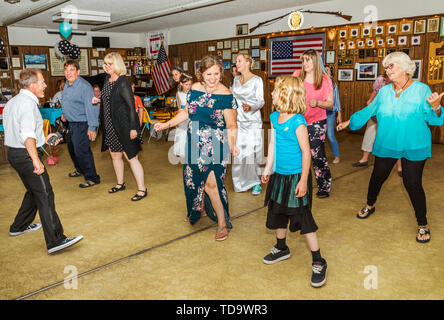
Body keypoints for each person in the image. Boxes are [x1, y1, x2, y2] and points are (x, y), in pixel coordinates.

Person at [337, 52, 443, 243]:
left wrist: (436, 107)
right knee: (377, 177)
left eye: (391, 66)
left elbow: (434, 119)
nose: (387, 70)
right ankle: (370, 205)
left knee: (412, 183)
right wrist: (349, 121)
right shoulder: (384, 91)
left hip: (414, 144)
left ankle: (422, 224)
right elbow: (370, 110)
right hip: (388, 143)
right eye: (386, 67)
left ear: (404, 67)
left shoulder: (421, 90)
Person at [154, 55, 239, 241]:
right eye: (209, 73)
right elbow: (186, 112)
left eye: (216, 73)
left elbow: (232, 125)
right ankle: (197, 209)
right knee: (193, 179)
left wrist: (232, 146)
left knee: (211, 184)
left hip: (216, 144)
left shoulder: (225, 95)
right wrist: (166, 124)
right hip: (194, 142)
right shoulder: (194, 89)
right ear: (201, 73)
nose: (213, 77)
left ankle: (222, 222)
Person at [3, 69, 83, 254]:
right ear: (32, 86)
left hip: (15, 154)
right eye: (42, 82)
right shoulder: (28, 105)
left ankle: (19, 226)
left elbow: (19, 131)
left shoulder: (14, 102)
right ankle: (55, 240)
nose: (45, 85)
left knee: (34, 191)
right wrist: (35, 161)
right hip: (26, 155)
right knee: (45, 193)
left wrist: (44, 139)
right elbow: (27, 136)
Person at [261, 75, 327, 288]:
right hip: (279, 175)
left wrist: (303, 180)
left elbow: (307, 153)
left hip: (297, 176)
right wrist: (268, 167)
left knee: (303, 217)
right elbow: (272, 145)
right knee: (277, 211)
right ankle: (281, 247)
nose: (271, 93)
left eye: (275, 90)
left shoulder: (298, 121)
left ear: (287, 94)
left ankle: (318, 260)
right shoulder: (274, 116)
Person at [100, 52, 147, 201]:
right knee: (115, 155)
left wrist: (134, 128)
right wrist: (98, 100)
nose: (107, 67)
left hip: (125, 126)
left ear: (118, 64)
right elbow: (109, 101)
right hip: (110, 125)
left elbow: (131, 107)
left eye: (110, 64)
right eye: (106, 64)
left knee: (131, 157)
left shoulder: (123, 82)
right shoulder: (107, 80)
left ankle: (142, 189)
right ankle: (120, 183)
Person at [292, 49, 333, 198]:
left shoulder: (324, 80)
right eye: (303, 60)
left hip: (317, 122)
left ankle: (324, 185)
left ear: (315, 61)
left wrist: (318, 103)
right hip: (298, 121)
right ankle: (299, 183)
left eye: (308, 60)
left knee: (317, 154)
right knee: (297, 153)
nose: (304, 63)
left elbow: (330, 103)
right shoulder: (297, 76)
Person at [352, 75, 403, 175]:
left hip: (390, 114)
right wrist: (370, 102)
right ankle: (364, 159)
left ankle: (399, 167)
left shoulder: (399, 82)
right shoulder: (380, 80)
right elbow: (375, 92)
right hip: (376, 111)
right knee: (369, 134)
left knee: (394, 139)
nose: (388, 78)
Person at [62, 60, 101, 188]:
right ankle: (80, 169)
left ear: (78, 72)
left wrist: (92, 127)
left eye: (71, 70)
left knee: (82, 151)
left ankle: (92, 177)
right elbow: (68, 102)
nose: (68, 73)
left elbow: (92, 107)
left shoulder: (84, 86)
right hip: (72, 124)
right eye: (66, 70)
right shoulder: (67, 84)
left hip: (83, 123)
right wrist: (65, 113)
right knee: (72, 149)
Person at [231, 54, 265, 195]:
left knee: (252, 152)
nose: (236, 63)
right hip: (238, 120)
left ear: (247, 63)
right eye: (236, 61)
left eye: (239, 61)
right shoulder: (235, 80)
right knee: (239, 152)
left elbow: (261, 101)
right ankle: (240, 182)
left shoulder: (257, 80)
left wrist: (251, 107)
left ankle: (256, 182)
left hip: (252, 120)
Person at [173, 73, 193, 160]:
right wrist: (176, 120)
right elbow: (179, 107)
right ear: (181, 84)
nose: (188, 86)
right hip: (182, 114)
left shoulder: (193, 93)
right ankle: (181, 152)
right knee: (181, 132)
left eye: (190, 84)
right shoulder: (179, 93)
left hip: (191, 114)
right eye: (186, 84)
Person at [325, 66, 342, 164]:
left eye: (328, 69)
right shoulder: (319, 83)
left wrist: (339, 114)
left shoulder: (333, 85)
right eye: (325, 69)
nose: (326, 70)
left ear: (331, 72)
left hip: (330, 113)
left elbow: (337, 100)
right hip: (319, 113)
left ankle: (337, 156)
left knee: (330, 135)